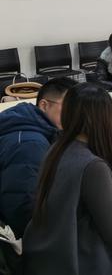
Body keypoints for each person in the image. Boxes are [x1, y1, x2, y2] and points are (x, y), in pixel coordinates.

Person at [23, 83, 112, 275]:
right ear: (103, 119)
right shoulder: (92, 165)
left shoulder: (57, 146)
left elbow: (86, 195)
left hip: (46, 254)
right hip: (75, 262)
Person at [0, 78, 77, 238]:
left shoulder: (31, 121)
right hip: (25, 236)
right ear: (44, 105)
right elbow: (22, 209)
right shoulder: (28, 144)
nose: (75, 115)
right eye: (69, 107)